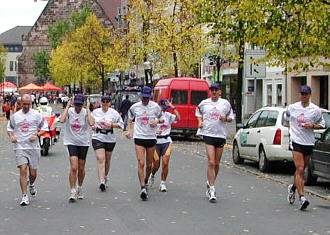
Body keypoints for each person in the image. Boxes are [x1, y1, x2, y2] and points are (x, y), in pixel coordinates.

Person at [285, 85, 325, 210]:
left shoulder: (315, 110)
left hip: (308, 142)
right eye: (302, 94)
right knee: (300, 168)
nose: (303, 96)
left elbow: (322, 124)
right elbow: (286, 119)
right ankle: (302, 198)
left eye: (306, 94)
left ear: (309, 95)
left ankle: (292, 187)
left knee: (301, 171)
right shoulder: (292, 107)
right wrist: (292, 130)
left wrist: (312, 126)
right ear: (299, 94)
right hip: (296, 141)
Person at [195, 82, 234, 202]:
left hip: (220, 135)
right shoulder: (204, 103)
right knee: (211, 162)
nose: (214, 92)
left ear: (220, 92)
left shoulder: (225, 104)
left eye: (216, 90)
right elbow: (198, 113)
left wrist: (225, 119)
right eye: (212, 90)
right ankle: (212, 189)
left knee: (217, 163)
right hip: (208, 133)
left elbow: (231, 117)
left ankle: (210, 182)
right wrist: (200, 122)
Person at [7, 94, 47, 206]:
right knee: (23, 169)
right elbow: (9, 128)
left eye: (28, 104)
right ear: (20, 103)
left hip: (33, 147)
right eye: (24, 104)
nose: (26, 106)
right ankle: (24, 196)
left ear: (31, 103)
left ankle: (31, 184)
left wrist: (37, 135)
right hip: (20, 147)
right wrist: (12, 136)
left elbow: (45, 127)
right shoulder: (16, 116)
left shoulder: (36, 115)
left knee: (33, 174)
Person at [125, 86, 163, 201]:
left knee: (149, 164)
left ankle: (146, 179)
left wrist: (156, 121)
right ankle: (142, 187)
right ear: (140, 96)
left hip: (151, 137)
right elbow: (130, 118)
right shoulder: (135, 107)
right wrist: (129, 130)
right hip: (139, 137)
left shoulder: (155, 107)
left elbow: (162, 119)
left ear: (150, 97)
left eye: (147, 98)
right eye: (143, 97)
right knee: (141, 162)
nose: (145, 100)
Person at [60, 94, 94, 202]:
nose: (78, 107)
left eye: (80, 105)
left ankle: (80, 186)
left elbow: (92, 123)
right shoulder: (70, 111)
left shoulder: (85, 112)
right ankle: (73, 190)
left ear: (83, 104)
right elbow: (61, 120)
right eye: (76, 105)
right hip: (71, 141)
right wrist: (67, 106)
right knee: (74, 167)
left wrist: (88, 109)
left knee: (81, 167)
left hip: (83, 142)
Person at [91, 95, 124, 192]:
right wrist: (93, 126)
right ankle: (101, 182)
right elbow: (90, 121)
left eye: (107, 101)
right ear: (101, 102)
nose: (105, 103)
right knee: (101, 158)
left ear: (110, 103)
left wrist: (111, 125)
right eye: (103, 101)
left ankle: (105, 176)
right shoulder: (96, 112)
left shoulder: (114, 113)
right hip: (98, 136)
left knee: (107, 160)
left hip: (109, 138)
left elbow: (121, 124)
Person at [148, 98, 180, 192]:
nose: (164, 109)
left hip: (166, 141)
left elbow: (178, 118)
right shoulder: (154, 115)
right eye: (162, 108)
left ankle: (163, 182)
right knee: (156, 164)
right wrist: (155, 131)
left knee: (165, 162)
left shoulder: (169, 115)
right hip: (156, 141)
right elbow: (148, 126)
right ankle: (152, 174)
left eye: (166, 108)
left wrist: (173, 107)